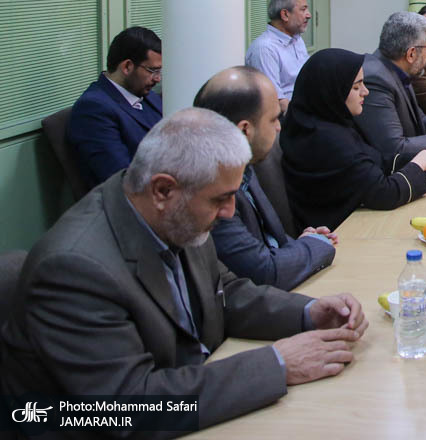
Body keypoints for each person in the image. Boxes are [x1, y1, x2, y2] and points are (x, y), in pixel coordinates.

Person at [0, 108, 368, 431]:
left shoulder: (176, 212)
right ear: (162, 190)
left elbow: (224, 292)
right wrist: (276, 365)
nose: (229, 212)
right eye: (221, 199)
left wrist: (307, 312)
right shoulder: (76, 268)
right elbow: (129, 408)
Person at [194, 66, 337, 290]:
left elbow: (275, 242)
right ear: (245, 130)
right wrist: (316, 245)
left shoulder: (246, 166)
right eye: (273, 119)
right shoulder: (212, 189)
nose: (279, 127)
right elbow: (265, 272)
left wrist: (301, 246)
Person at [283, 48, 426, 230]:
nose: (365, 92)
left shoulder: (329, 123)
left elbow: (374, 160)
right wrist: (417, 166)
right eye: (356, 87)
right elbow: (384, 193)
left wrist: (423, 161)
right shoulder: (326, 140)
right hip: (342, 231)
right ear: (332, 91)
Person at [357, 12, 426, 165]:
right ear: (411, 54)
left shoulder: (396, 68)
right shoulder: (375, 80)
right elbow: (393, 149)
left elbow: (418, 120)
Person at [67, 26, 164, 187]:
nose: (158, 79)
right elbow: (121, 177)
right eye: (152, 70)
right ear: (127, 67)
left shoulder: (143, 92)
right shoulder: (93, 109)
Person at [245, 0, 311, 112]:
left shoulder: (297, 39)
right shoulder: (265, 49)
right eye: (303, 10)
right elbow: (278, 101)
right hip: (288, 116)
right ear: (285, 15)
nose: (309, 15)